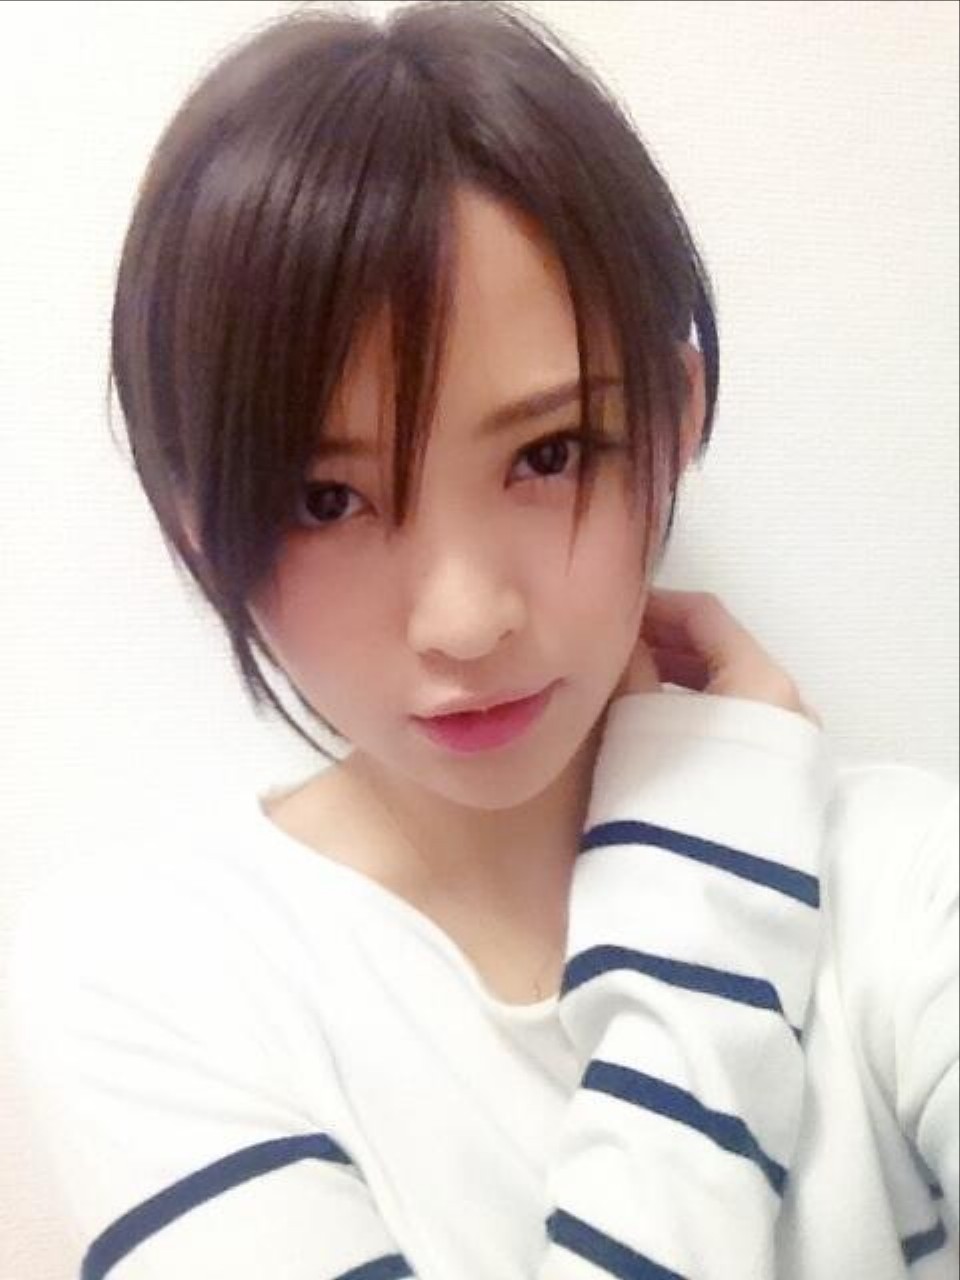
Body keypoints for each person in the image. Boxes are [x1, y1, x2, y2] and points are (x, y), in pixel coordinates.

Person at [7, 3, 957, 1278]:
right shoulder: (154, 985)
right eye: (326, 498)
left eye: (548, 453)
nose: (464, 618)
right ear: (199, 526)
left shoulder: (907, 881)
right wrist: (710, 919)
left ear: (675, 418)